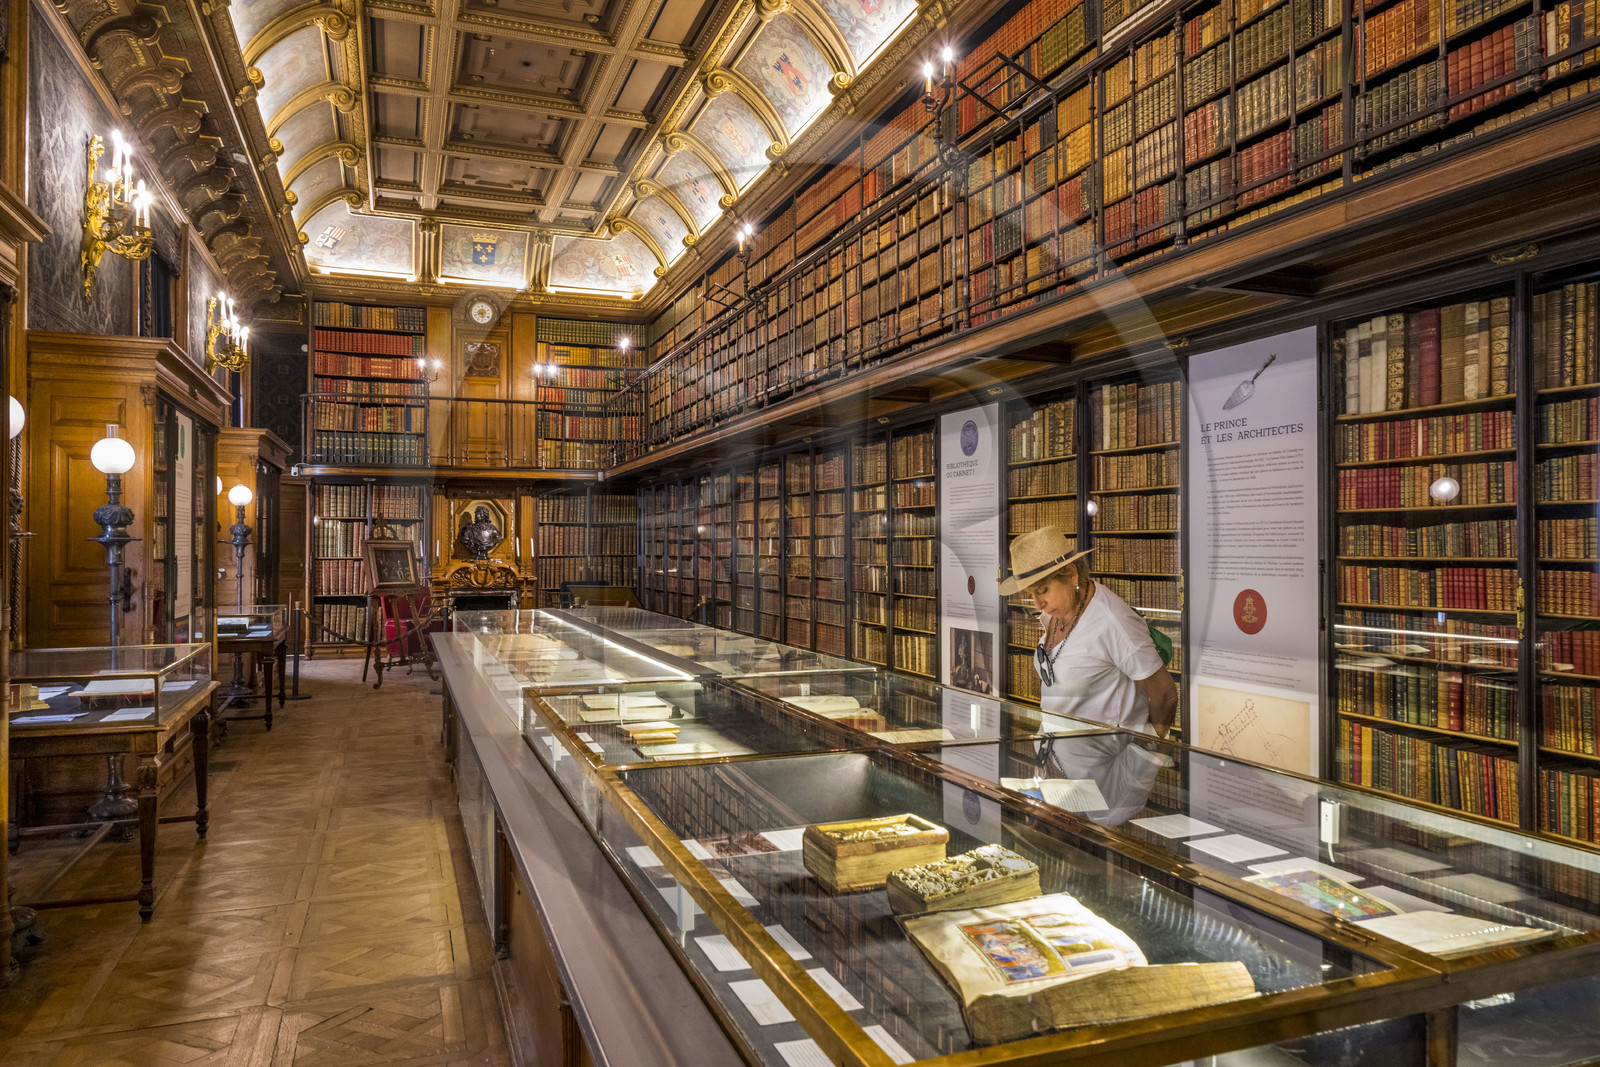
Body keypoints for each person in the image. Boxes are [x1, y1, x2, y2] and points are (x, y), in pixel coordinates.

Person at [998, 526, 1178, 736]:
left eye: (1042, 591)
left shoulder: (1114, 622)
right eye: (1031, 594)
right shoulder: (1055, 613)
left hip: (1105, 762)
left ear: (1071, 574)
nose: (1037, 604)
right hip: (1056, 756)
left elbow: (1166, 695)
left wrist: (1147, 755)